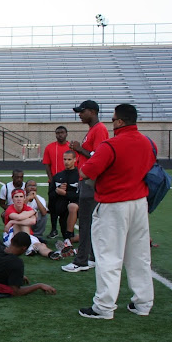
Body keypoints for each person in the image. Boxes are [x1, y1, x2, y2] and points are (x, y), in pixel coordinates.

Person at [77, 104, 156, 319]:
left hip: (113, 204)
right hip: (139, 202)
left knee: (108, 256)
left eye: (114, 120)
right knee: (139, 255)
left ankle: (104, 306)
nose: (112, 123)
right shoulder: (148, 143)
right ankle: (143, 303)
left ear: (120, 121)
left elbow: (87, 171)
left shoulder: (110, 145)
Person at [63, 100, 109, 273]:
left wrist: (80, 149)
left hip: (91, 182)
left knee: (86, 222)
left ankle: (81, 261)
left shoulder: (100, 130)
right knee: (89, 223)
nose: (80, 115)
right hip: (87, 181)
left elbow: (99, 156)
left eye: (82, 112)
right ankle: (91, 257)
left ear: (92, 111)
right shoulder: (94, 130)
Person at [0, 232, 57, 298]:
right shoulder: (16, 262)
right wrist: (39, 285)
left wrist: (18, 275)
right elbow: (16, 292)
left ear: (11, 240)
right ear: (24, 248)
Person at [3, 189, 63, 260]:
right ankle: (28, 246)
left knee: (41, 245)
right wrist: (33, 212)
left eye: (21, 196)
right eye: (16, 197)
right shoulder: (10, 209)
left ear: (24, 198)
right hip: (12, 236)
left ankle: (51, 254)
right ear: (12, 199)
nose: (19, 199)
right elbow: (19, 217)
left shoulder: (28, 208)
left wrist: (13, 222)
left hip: (27, 234)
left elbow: (33, 221)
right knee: (21, 224)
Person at [43, 126, 72, 238]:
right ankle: (54, 229)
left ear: (66, 133)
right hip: (54, 182)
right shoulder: (50, 147)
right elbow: (47, 164)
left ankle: (68, 230)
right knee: (53, 206)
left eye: (62, 132)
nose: (60, 135)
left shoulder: (71, 148)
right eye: (58, 133)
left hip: (68, 183)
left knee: (68, 207)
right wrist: (52, 180)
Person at [51, 150, 80, 242]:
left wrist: (65, 193)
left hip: (80, 208)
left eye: (69, 159)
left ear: (75, 159)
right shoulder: (57, 176)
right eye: (64, 159)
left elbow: (81, 195)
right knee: (67, 238)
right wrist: (56, 191)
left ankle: (73, 234)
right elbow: (50, 195)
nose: (66, 162)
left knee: (72, 206)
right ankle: (73, 237)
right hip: (62, 211)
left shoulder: (80, 176)